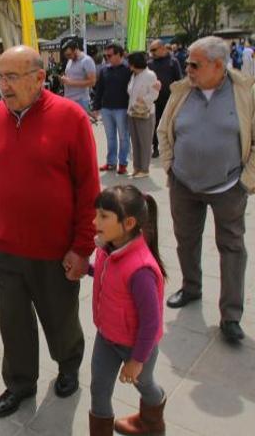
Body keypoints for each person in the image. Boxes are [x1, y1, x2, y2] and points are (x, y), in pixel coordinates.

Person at [0, 45, 100, 418]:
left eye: (12, 77)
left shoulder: (70, 118)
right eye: (0, 77)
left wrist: (82, 248)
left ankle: (68, 368)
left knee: (60, 319)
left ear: (39, 77)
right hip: (6, 249)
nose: (3, 86)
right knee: (12, 323)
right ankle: (19, 384)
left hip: (55, 251)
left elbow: (89, 189)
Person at [157, 36, 255, 342]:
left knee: (232, 247)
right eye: (187, 63)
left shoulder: (247, 92)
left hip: (228, 187)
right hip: (184, 184)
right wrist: (170, 166)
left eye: (194, 64)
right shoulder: (182, 91)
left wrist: (245, 182)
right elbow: (164, 130)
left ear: (218, 66)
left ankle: (231, 315)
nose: (188, 69)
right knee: (185, 240)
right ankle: (191, 287)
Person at [72, 185, 167, 436]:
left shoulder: (141, 270)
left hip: (137, 345)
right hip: (107, 337)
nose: (95, 221)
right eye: (97, 214)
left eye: (103, 216)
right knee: (99, 390)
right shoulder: (109, 247)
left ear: (129, 223)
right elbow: (109, 276)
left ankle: (152, 424)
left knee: (144, 383)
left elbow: (151, 322)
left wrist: (137, 361)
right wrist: (87, 269)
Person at [93, 43, 132, 175]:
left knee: (123, 137)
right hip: (106, 108)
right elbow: (99, 89)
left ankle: (122, 163)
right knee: (110, 137)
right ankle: (111, 162)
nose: (107, 58)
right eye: (106, 55)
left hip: (122, 108)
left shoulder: (128, 69)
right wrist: (96, 107)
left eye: (109, 55)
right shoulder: (104, 70)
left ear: (119, 54)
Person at [126, 52, 160, 179]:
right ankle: (137, 167)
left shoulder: (150, 75)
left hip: (145, 112)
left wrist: (143, 99)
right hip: (133, 111)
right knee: (135, 141)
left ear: (135, 64)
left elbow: (154, 94)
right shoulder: (134, 75)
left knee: (144, 142)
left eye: (130, 64)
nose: (129, 66)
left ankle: (144, 169)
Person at [147, 39, 183, 158]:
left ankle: (172, 147)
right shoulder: (150, 64)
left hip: (170, 99)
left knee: (170, 124)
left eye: (154, 50)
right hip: (155, 99)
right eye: (151, 50)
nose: (152, 52)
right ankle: (155, 147)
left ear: (162, 48)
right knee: (155, 124)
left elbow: (179, 80)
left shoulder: (173, 62)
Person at [60, 39, 97, 119]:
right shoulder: (70, 60)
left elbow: (92, 82)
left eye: (69, 54)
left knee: (82, 128)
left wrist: (70, 82)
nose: (68, 57)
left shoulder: (87, 61)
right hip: (69, 99)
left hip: (80, 100)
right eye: (66, 55)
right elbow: (71, 77)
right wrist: (64, 79)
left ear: (76, 49)